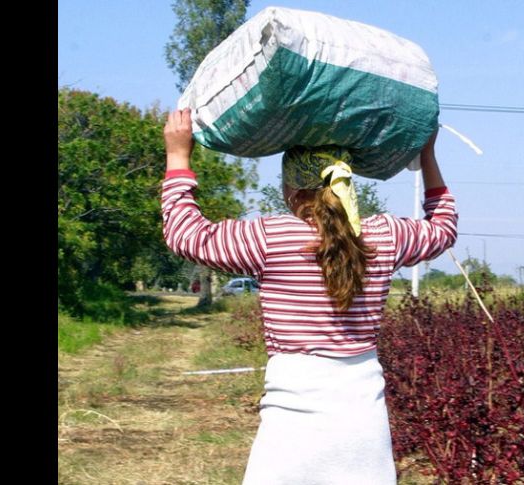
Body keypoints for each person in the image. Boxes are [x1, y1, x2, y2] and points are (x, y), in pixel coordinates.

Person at [162, 108, 457, 484]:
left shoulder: (272, 238)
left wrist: (177, 156)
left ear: (292, 189)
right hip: (363, 425)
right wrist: (428, 156)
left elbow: (185, 235)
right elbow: (444, 227)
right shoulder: (387, 236)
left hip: (292, 423)